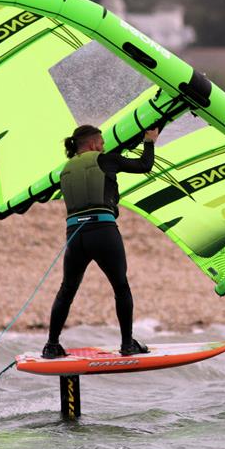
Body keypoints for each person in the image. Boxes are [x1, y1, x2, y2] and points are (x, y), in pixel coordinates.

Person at [42, 124, 160, 359]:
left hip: (75, 234)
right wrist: (149, 140)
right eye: (102, 143)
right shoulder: (107, 160)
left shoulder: (64, 170)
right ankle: (127, 344)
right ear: (94, 143)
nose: (104, 147)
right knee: (120, 287)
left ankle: (52, 345)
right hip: (103, 231)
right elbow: (145, 165)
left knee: (66, 290)